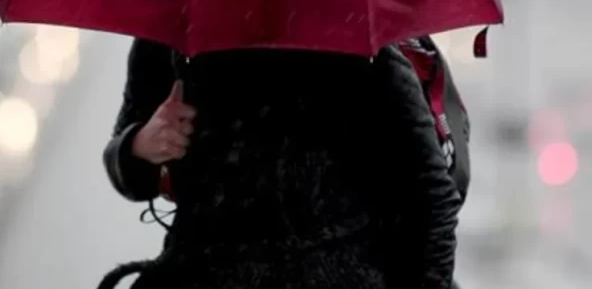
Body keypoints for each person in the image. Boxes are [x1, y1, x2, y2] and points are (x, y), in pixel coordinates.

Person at [98, 38, 459, 289]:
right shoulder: (175, 29)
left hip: (337, 273)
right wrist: (142, 145)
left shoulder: (364, 49)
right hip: (200, 270)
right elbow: (127, 170)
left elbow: (432, 201)